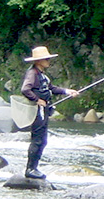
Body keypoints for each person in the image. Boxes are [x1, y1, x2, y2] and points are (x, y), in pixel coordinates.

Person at [20, 46, 79, 179]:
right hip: (37, 111)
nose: (48, 61)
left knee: (43, 140)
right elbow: (25, 89)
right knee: (37, 140)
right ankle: (30, 169)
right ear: (38, 61)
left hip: (44, 111)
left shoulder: (41, 74)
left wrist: (67, 91)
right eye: (46, 59)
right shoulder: (32, 74)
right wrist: (37, 100)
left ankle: (34, 168)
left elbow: (51, 88)